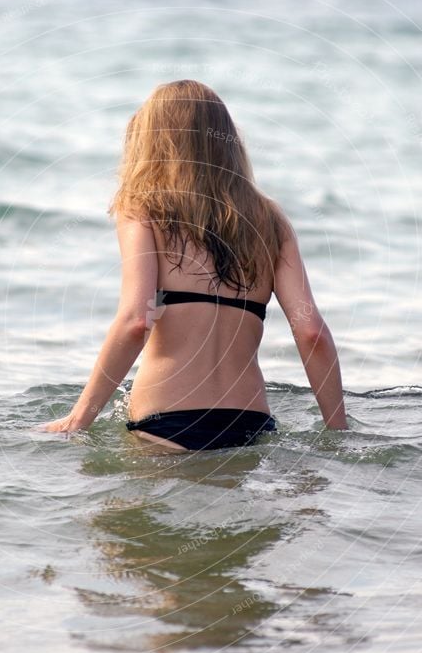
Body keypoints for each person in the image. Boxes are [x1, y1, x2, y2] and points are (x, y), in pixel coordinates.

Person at [40, 80, 348, 450]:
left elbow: (136, 321)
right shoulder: (270, 219)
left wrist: (79, 419)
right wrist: (339, 433)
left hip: (165, 423)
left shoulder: (142, 208)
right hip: (250, 425)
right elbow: (312, 332)